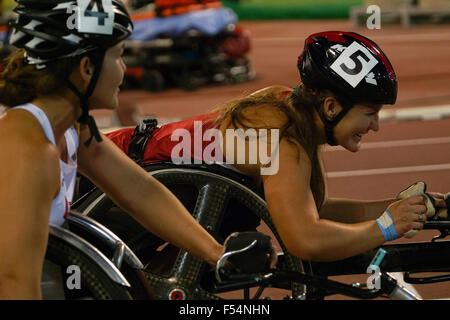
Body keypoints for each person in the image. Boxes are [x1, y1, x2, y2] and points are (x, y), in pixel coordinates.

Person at [106, 31, 447, 263]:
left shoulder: (293, 112)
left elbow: (313, 211)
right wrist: (386, 227)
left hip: (141, 173)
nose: (375, 126)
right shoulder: (281, 138)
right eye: (370, 113)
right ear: (330, 107)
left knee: (238, 212)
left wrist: (401, 208)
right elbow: (306, 240)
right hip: (110, 177)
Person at [0, 0, 222, 299]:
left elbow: (138, 190)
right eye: (118, 56)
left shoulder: (71, 125)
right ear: (86, 67)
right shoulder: (29, 149)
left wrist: (216, 254)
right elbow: (13, 281)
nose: (125, 68)